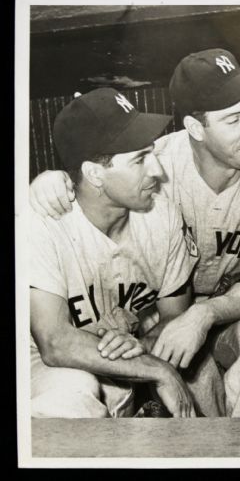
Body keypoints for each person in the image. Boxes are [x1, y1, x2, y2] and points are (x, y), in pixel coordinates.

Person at [29, 49, 240, 417]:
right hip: (66, 356)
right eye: (233, 119)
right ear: (195, 128)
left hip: (214, 313)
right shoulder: (53, 213)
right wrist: (47, 180)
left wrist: (170, 334)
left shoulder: (161, 207)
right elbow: (54, 341)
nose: (156, 170)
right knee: (82, 389)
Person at [30, 88, 199, 418]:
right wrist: (155, 368)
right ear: (94, 174)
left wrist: (137, 348)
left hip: (123, 350)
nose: (157, 171)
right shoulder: (44, 221)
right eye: (139, 160)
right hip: (38, 363)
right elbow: (54, 343)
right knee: (75, 390)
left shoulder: (161, 214)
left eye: (153, 154)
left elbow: (174, 318)